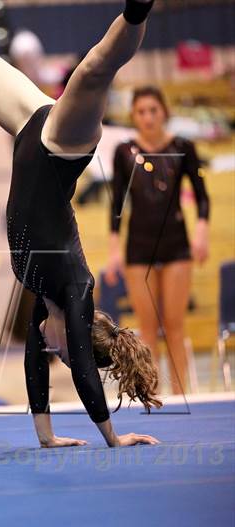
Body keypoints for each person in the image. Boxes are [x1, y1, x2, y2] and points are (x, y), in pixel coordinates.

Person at [0, 0, 162, 448]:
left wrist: (47, 437)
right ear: (75, 336)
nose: (46, 347)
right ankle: (138, 11)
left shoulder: (45, 300)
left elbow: (33, 364)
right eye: (56, 347)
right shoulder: (76, 291)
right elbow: (83, 371)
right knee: (95, 70)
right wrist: (113, 438)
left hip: (28, 128)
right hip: (64, 147)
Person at [106, 86, 210, 395]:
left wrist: (201, 232)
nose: (148, 117)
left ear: (164, 111)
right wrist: (114, 249)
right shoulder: (124, 152)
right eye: (141, 111)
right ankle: (150, 394)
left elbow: (203, 197)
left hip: (176, 245)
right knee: (148, 327)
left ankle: (182, 394)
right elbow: (116, 205)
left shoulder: (183, 147)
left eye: (153, 110)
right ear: (134, 116)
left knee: (175, 326)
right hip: (139, 248)